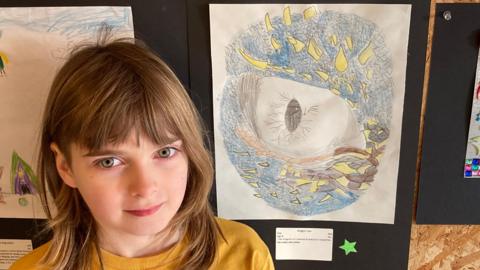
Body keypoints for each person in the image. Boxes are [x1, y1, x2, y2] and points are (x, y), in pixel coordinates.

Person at [10, 36, 274, 270]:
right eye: (109, 161)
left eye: (165, 152)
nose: (145, 188)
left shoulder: (244, 255)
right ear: (65, 166)